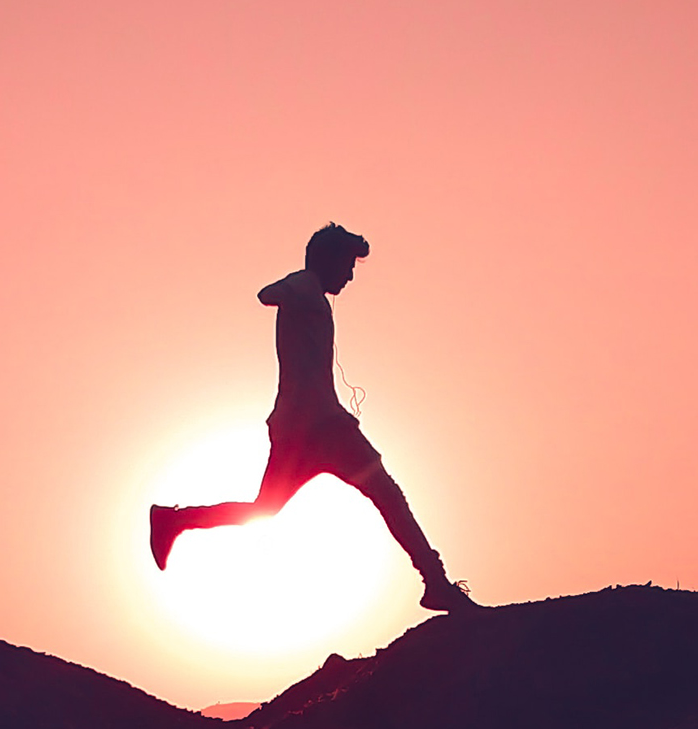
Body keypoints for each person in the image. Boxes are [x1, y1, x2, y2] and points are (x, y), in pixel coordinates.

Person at [149, 222, 473, 612]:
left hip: (298, 430)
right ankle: (435, 583)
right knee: (387, 494)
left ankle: (174, 521)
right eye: (347, 265)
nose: (350, 276)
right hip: (322, 428)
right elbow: (268, 294)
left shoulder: (311, 293)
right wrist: (291, 290)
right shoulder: (304, 286)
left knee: (265, 509)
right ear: (329, 260)